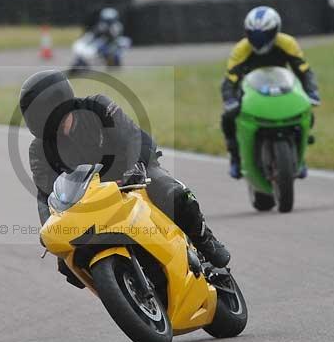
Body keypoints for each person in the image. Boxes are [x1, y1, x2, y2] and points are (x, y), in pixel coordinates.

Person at [19, 70, 230, 288]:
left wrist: (135, 168)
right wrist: (49, 228)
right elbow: (45, 195)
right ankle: (123, 286)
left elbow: (131, 137)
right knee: (68, 262)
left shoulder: (97, 107)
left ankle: (205, 240)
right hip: (93, 201)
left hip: (134, 173)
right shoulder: (39, 150)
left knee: (172, 193)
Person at [221, 6, 320, 179]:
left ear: (276, 30)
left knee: (307, 114)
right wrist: (230, 100)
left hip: (283, 87)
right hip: (251, 91)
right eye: (253, 35)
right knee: (227, 119)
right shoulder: (241, 49)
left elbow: (304, 71)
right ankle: (235, 158)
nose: (259, 40)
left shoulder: (287, 43)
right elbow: (229, 80)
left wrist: (311, 93)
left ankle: (300, 157)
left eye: (265, 35)